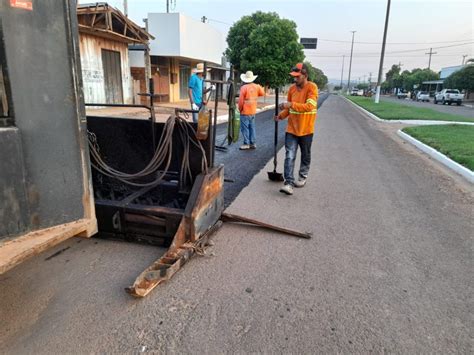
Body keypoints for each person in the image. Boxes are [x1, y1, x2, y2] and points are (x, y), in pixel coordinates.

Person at [275, 63, 318, 195]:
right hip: (292, 129)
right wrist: (280, 116)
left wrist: (290, 104)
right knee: (290, 155)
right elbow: (289, 109)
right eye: (294, 77)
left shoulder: (312, 88)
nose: (295, 79)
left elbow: (309, 106)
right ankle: (288, 183)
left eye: (297, 77)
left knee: (305, 155)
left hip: (306, 130)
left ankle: (303, 175)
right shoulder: (292, 89)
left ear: (305, 76)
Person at [238, 70, 265, 150]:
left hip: (245, 112)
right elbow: (262, 93)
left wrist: (240, 109)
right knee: (252, 127)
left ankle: (246, 143)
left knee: (245, 128)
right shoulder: (256, 86)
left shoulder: (243, 88)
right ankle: (253, 143)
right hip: (253, 111)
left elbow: (240, 101)